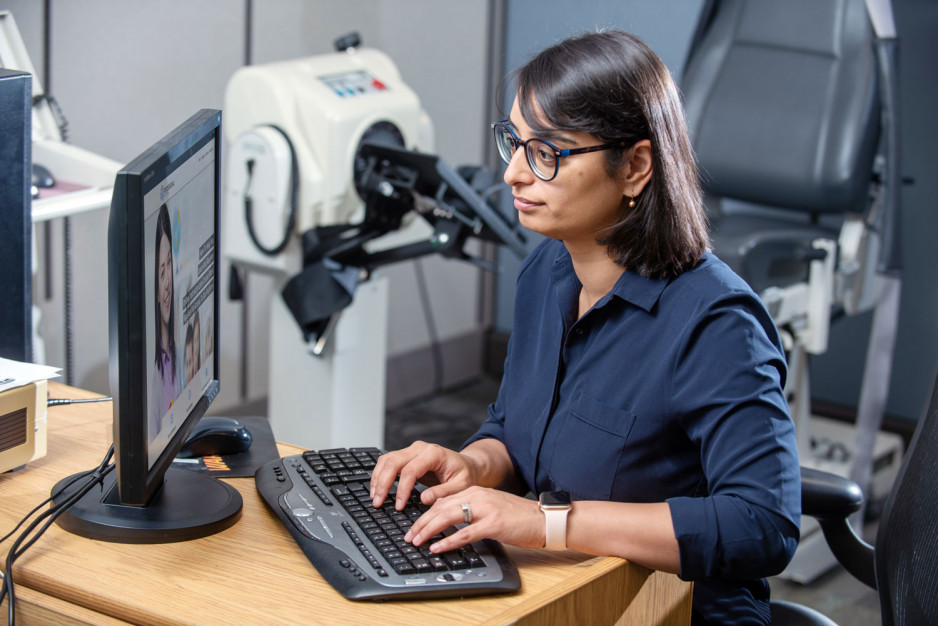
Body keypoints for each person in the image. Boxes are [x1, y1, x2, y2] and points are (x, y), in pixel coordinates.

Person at [370, 30, 800, 624]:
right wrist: (473, 464)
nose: (516, 174)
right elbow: (517, 431)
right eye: (514, 143)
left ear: (636, 166)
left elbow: (762, 525)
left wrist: (546, 523)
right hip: (568, 590)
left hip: (672, 609)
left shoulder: (718, 323)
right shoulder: (547, 270)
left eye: (547, 152)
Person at [149, 203, 179, 439]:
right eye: (161, 271)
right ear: (155, 291)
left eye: (170, 264)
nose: (167, 280)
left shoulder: (177, 357)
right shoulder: (152, 380)